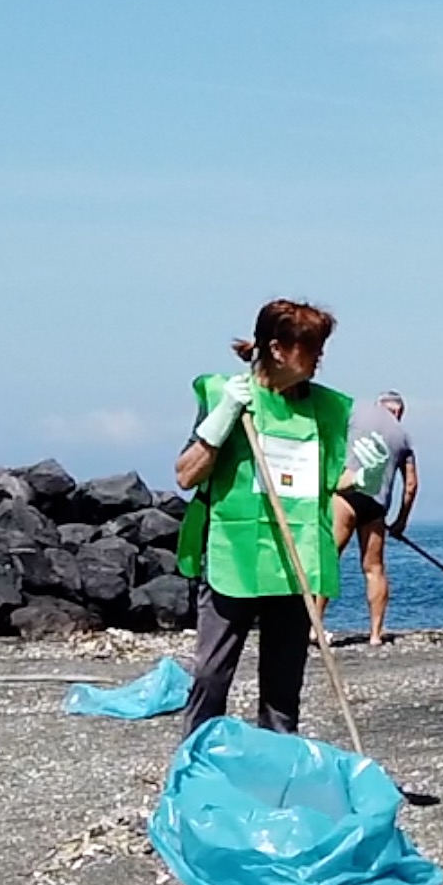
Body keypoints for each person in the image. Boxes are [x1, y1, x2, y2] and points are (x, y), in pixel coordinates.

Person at [174, 299, 354, 738]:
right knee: (212, 673)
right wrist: (219, 423)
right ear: (277, 349)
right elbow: (185, 475)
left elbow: (331, 481)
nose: (319, 359)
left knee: (283, 684)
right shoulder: (228, 395)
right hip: (234, 554)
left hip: (295, 559)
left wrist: (366, 473)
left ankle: (276, 767)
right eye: (310, 348)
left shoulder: (324, 409)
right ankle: (197, 763)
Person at [324, 391, 417, 646]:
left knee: (329, 559)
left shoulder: (356, 412)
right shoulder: (403, 437)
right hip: (376, 505)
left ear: (379, 405)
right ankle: (375, 634)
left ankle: (314, 627)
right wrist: (400, 521)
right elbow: (411, 485)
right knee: (374, 568)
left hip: (347, 494)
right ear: (399, 412)